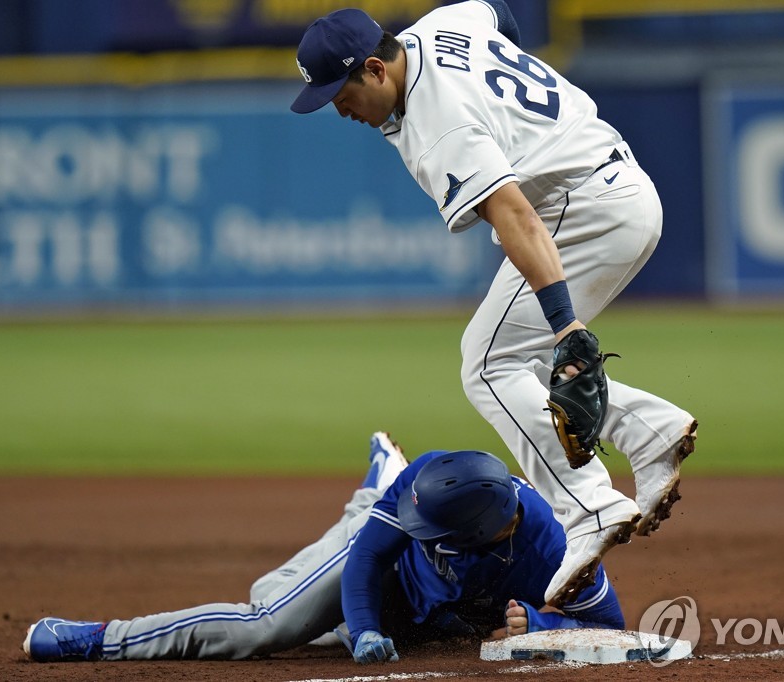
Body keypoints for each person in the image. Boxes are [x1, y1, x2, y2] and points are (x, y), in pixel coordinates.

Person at [289, 1, 698, 606]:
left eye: (340, 93)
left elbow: (515, 216)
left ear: (376, 69)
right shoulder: (439, 27)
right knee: (515, 367)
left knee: (487, 364)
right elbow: (496, 11)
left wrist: (567, 326)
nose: (339, 110)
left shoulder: (439, 128)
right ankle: (648, 431)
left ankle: (588, 505)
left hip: (579, 209)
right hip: (621, 186)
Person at [23, 434, 625, 664]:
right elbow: (368, 558)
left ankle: (371, 492)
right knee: (266, 625)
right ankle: (101, 637)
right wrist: (362, 626)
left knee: (272, 595)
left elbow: (614, 626)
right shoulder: (432, 484)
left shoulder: (554, 548)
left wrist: (542, 620)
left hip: (420, 616)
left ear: (476, 535)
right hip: (379, 572)